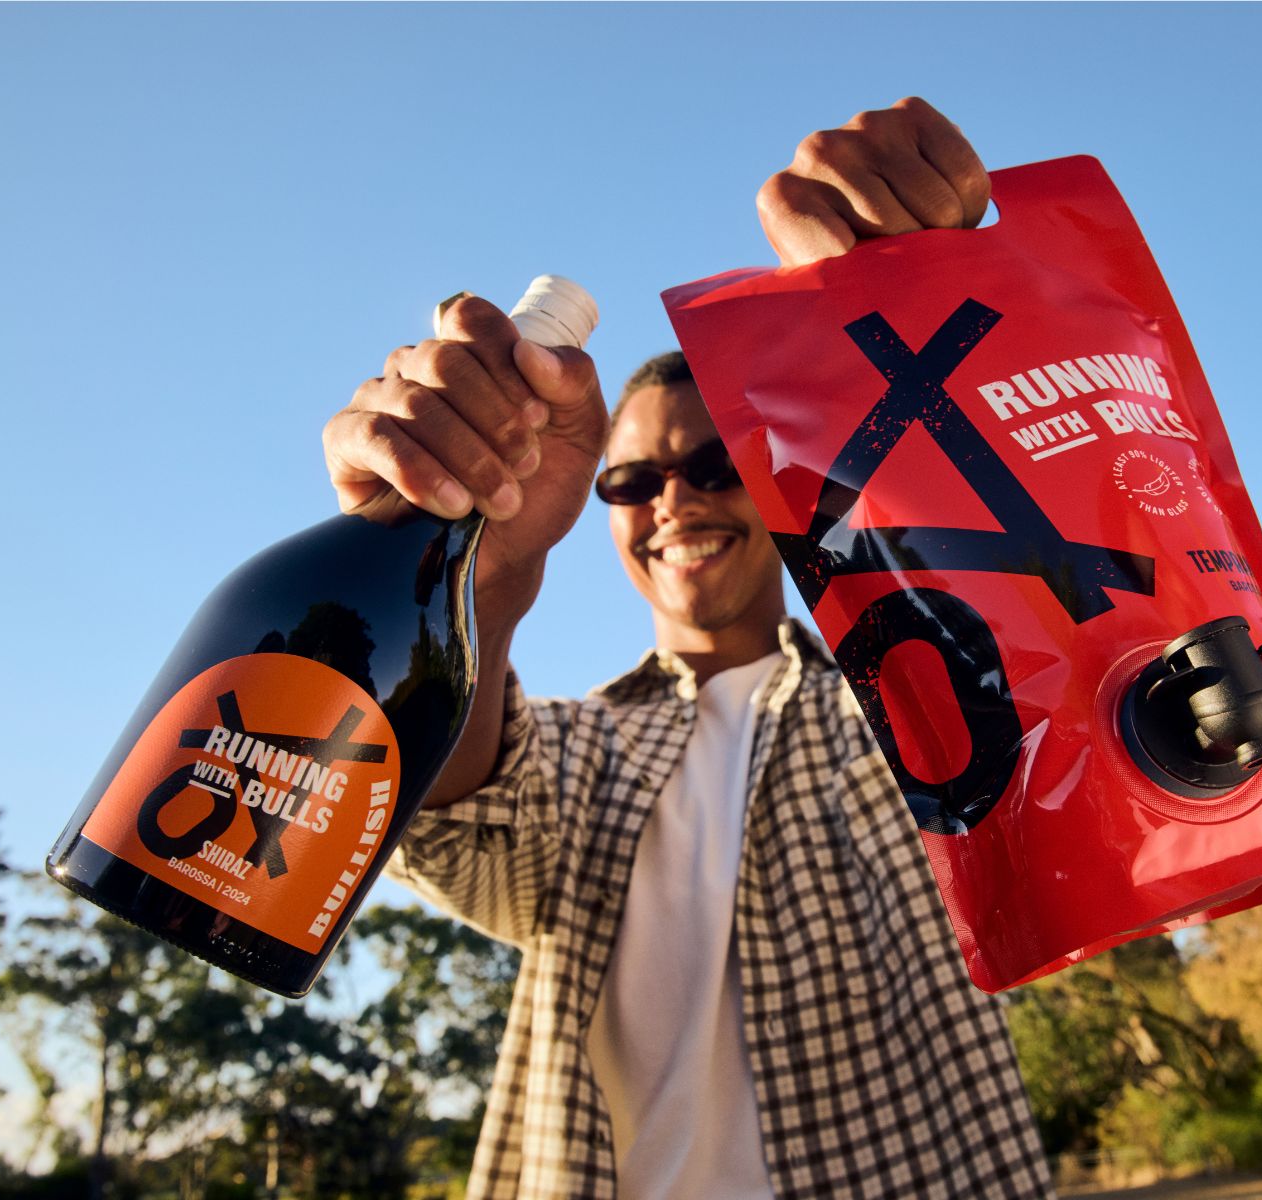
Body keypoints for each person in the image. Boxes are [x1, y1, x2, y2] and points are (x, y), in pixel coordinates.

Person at [322, 98, 1055, 1200]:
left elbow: (1054, 681)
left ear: (775, 483)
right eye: (632, 481)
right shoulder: (573, 753)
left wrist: (929, 301)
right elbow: (461, 829)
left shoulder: (907, 701)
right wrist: (479, 573)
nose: (674, 501)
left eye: (715, 467)